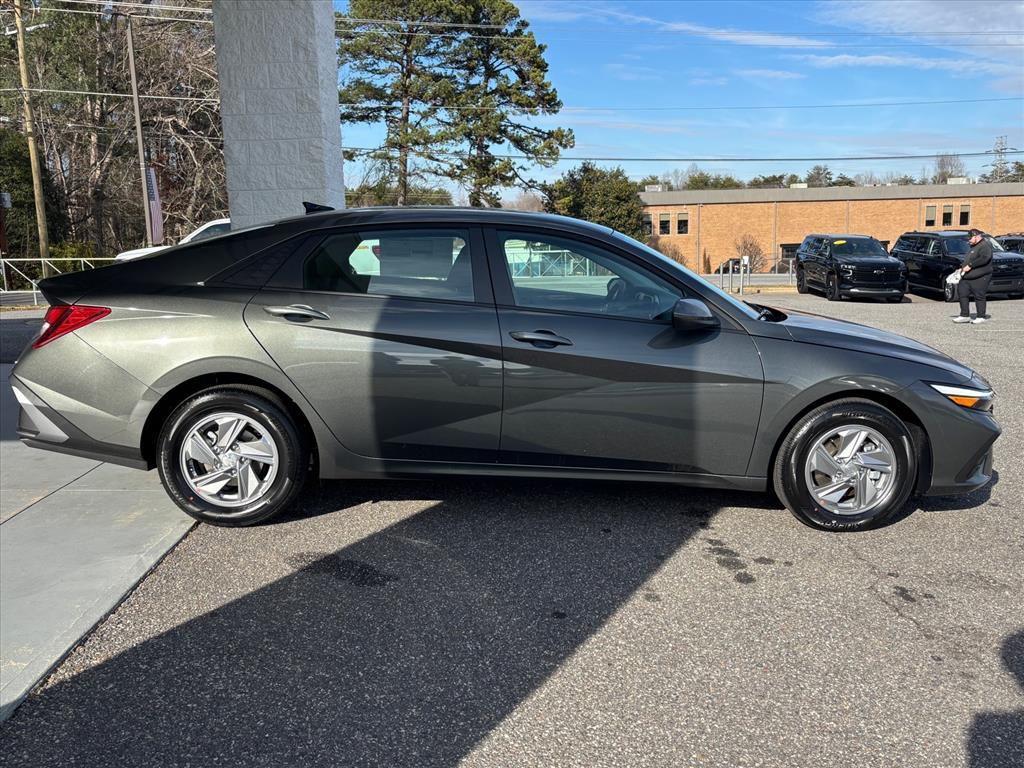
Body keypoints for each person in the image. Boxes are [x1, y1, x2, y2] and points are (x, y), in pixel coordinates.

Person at [953, 228, 993, 324]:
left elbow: (985, 258)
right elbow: (969, 259)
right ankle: (964, 315)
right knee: (962, 293)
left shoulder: (985, 245)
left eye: (970, 238)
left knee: (979, 296)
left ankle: (981, 316)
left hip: (981, 276)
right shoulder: (973, 246)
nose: (969, 241)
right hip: (967, 276)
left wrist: (971, 265)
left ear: (977, 236)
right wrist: (962, 268)